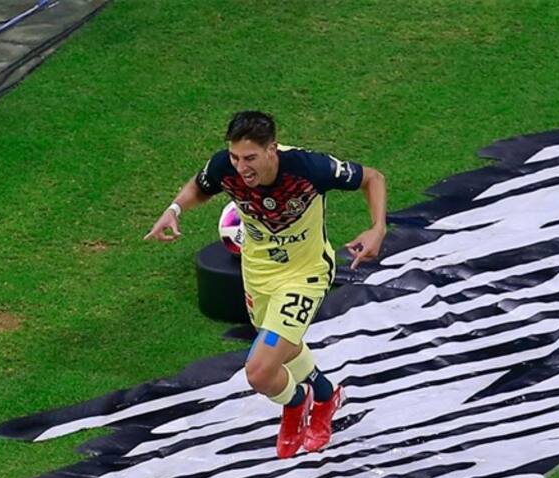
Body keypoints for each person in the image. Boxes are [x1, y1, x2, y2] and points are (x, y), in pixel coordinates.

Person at [145, 111, 386, 458]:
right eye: (235, 157)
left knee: (259, 372)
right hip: (258, 276)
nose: (242, 168)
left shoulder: (309, 168)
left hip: (305, 275)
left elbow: (373, 178)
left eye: (250, 158)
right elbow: (200, 187)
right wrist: (175, 209)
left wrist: (377, 227)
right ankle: (325, 394)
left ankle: (296, 402)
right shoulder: (224, 167)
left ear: (272, 149)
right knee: (282, 349)